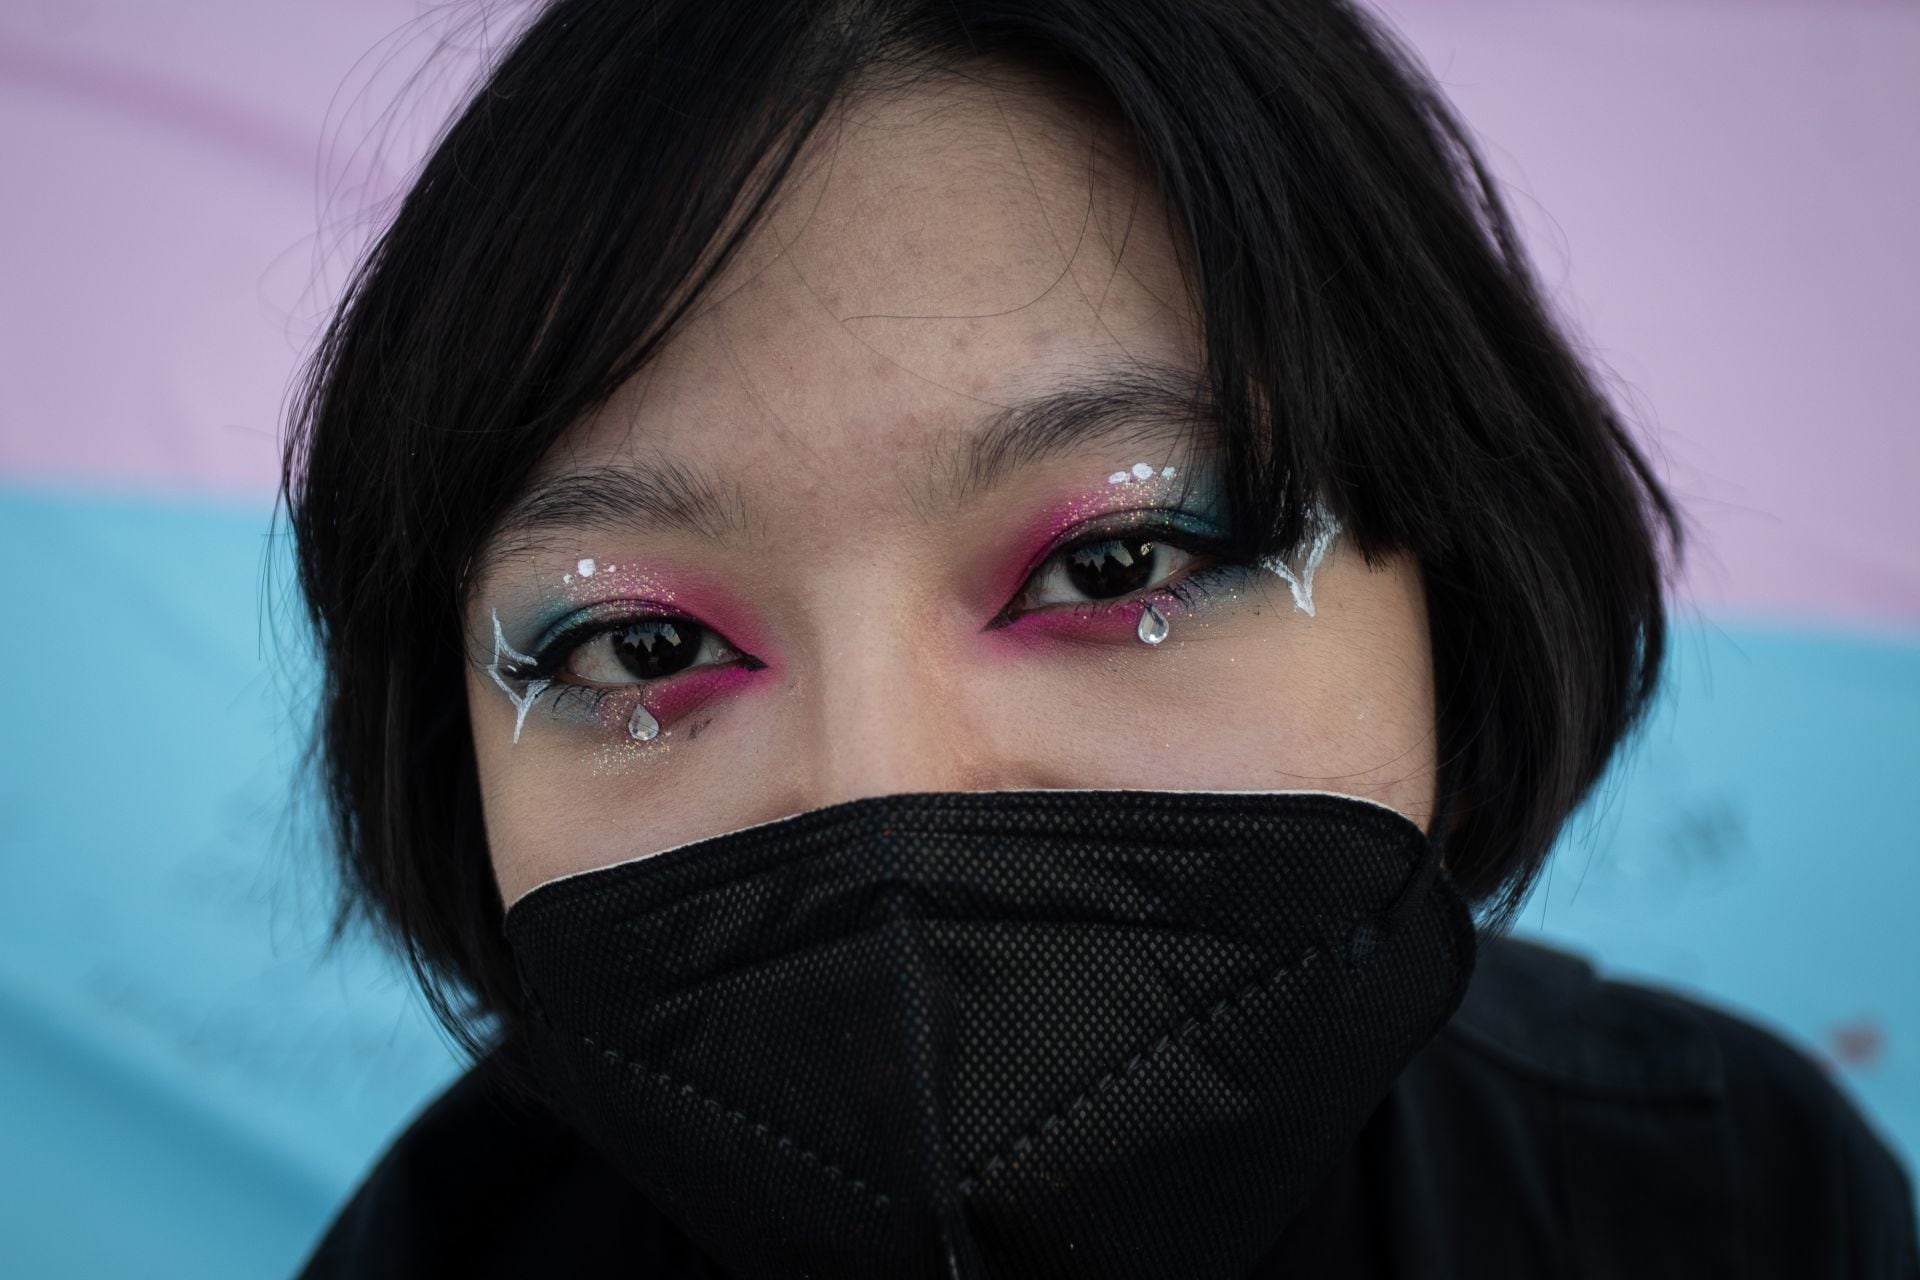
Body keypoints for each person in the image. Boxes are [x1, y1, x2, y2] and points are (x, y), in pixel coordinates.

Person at [282, 0, 1920, 1275]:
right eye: (634, 650)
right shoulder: (439, 1251)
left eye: (1119, 559)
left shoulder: (1721, 1190)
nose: (889, 791)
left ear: (1460, 595)